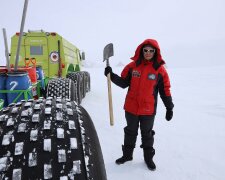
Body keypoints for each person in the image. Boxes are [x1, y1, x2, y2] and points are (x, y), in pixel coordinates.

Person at [104, 39, 174, 171]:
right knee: (130, 132)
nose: (148, 53)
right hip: (131, 108)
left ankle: (148, 158)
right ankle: (127, 156)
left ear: (155, 52)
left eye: (151, 50)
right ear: (141, 51)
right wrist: (111, 75)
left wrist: (169, 107)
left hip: (148, 109)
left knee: (147, 134)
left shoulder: (159, 70)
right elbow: (124, 83)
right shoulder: (132, 66)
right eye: (145, 50)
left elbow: (165, 90)